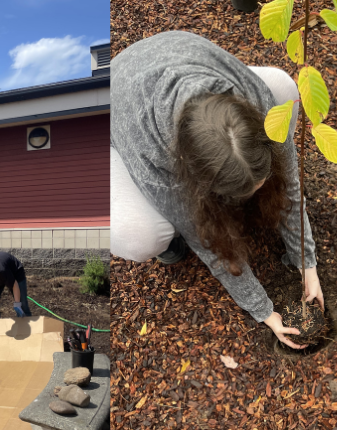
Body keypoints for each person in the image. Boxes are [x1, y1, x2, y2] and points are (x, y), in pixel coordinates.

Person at [108, 31, 322, 350]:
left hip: (178, 61)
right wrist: (264, 311)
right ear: (200, 182)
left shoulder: (257, 102)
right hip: (115, 114)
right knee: (140, 235)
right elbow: (205, 239)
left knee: (283, 87)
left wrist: (307, 263)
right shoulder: (157, 157)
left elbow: (289, 182)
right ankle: (164, 239)